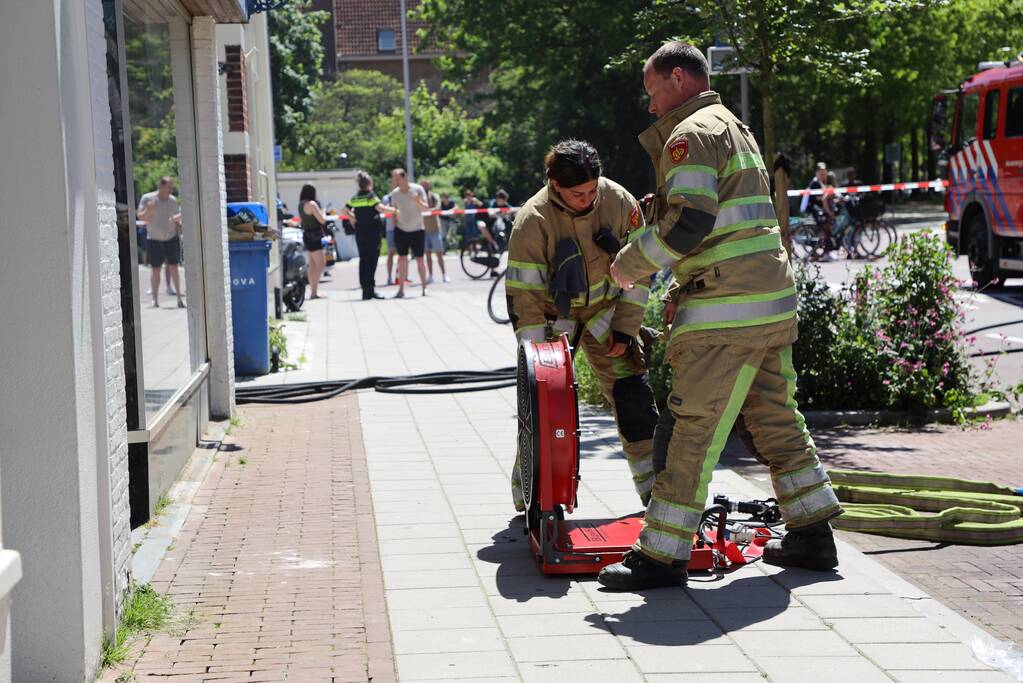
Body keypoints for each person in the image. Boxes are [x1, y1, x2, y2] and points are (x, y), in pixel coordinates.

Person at [601, 41, 843, 590]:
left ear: (680, 78)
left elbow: (689, 226)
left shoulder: (690, 136)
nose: (650, 105)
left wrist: (629, 265)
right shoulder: (733, 126)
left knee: (693, 429)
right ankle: (811, 532)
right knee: (776, 417)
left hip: (724, 313)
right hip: (770, 302)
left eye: (653, 90)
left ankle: (661, 555)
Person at [506, 139, 659, 513]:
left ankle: (657, 495)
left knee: (635, 401)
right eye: (578, 194)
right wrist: (534, 362)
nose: (588, 199)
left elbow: (639, 273)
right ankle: (533, 496)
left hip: (608, 312)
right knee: (545, 408)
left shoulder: (619, 202)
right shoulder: (533, 220)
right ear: (554, 184)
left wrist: (626, 328)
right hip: (554, 317)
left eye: (593, 190)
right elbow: (524, 298)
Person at [344, 171, 396, 300]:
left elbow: (344, 210)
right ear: (369, 184)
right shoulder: (370, 196)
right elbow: (381, 209)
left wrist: (353, 218)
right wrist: (396, 211)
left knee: (363, 260)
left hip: (360, 232)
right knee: (372, 260)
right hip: (372, 232)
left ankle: (365, 290)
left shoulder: (355, 198)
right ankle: (370, 289)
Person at [136, 176, 183, 308]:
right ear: (161, 186)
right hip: (154, 239)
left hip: (171, 238)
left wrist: (178, 219)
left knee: (174, 267)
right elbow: (141, 216)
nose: (171, 189)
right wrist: (149, 210)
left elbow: (175, 217)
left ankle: (179, 298)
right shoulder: (148, 198)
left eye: (171, 186)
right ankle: (154, 300)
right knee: (155, 269)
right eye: (169, 186)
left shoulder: (173, 200)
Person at [390, 168, 431, 298]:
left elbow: (426, 208)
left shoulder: (418, 189)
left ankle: (424, 288)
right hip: (401, 230)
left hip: (417, 229)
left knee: (420, 259)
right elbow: (393, 211)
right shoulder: (395, 193)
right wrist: (394, 228)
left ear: (404, 178)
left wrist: (417, 201)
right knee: (402, 259)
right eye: (393, 179)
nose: (394, 181)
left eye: (397, 179)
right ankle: (401, 289)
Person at [297, 183, 327, 299]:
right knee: (320, 264)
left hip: (307, 235)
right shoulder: (312, 204)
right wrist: (323, 211)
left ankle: (313, 291)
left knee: (312, 265)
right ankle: (314, 292)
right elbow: (322, 220)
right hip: (315, 236)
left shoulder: (301, 204)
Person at [420, 178, 449, 283]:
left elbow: (438, 208)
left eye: (426, 185)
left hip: (435, 229)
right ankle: (430, 275)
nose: (425, 187)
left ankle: (444, 275)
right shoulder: (419, 197)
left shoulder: (434, 196)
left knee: (439, 253)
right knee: (427, 254)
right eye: (423, 185)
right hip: (423, 230)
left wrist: (427, 210)